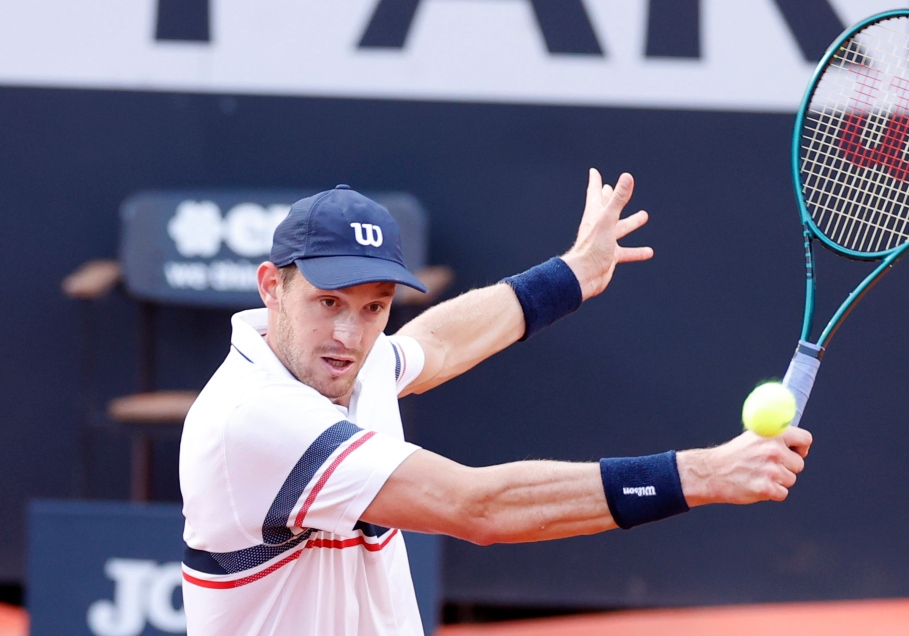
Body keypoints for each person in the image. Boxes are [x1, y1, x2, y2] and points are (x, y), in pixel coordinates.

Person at [179, 171, 813, 635]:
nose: (350, 333)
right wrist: (706, 474)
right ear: (272, 287)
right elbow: (478, 506)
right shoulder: (254, 419)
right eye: (329, 303)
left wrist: (572, 274)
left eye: (373, 307)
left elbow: (435, 343)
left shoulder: (345, 362)